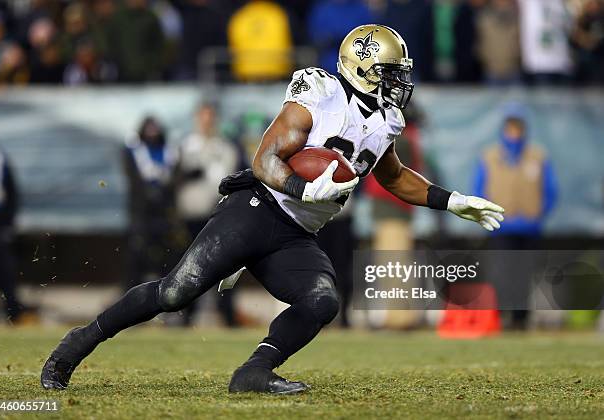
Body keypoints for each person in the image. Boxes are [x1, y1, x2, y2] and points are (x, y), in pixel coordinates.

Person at [41, 24, 504, 394]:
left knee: (322, 301)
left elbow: (393, 176)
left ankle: (254, 372)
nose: (400, 83)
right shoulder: (320, 93)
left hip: (296, 233)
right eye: (391, 72)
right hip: (258, 208)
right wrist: (305, 189)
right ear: (363, 69)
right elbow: (264, 161)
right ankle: (76, 344)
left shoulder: (386, 121)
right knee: (174, 295)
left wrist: (452, 200)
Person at [474, 104, 557, 328]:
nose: (514, 131)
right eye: (510, 126)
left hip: (529, 228)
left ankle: (520, 318)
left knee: (524, 274)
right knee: (501, 273)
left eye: (517, 126)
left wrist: (537, 216)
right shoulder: (490, 156)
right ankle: (500, 315)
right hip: (501, 227)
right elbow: (479, 189)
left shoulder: (538, 156)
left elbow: (550, 191)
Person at [174, 103, 240, 326]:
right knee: (189, 266)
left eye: (210, 117)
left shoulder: (226, 148)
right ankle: (186, 316)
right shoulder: (185, 146)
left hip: (218, 215)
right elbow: (174, 181)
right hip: (191, 215)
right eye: (203, 117)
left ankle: (227, 315)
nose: (206, 122)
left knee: (225, 266)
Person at [123, 116, 180, 290]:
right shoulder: (133, 151)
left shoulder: (171, 151)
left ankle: (168, 298)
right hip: (142, 213)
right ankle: (130, 297)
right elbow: (132, 178)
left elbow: (176, 177)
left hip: (164, 213)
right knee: (137, 255)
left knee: (168, 256)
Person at [0, 139, 22, 322]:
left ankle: (14, 314)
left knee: (5, 272)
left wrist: (8, 224)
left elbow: (12, 194)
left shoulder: (1, 160)